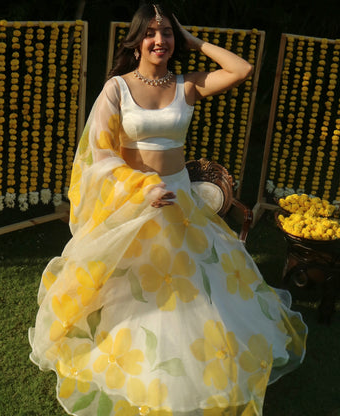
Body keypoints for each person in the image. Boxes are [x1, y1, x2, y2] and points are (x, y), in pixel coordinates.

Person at [29, 3, 307, 415]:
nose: (159, 41)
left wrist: (195, 41)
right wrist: (141, 186)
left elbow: (241, 70)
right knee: (135, 286)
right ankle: (130, 356)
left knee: (194, 282)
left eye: (167, 34)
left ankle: (201, 358)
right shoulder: (117, 88)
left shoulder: (186, 84)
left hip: (180, 199)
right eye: (151, 33)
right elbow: (99, 154)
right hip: (136, 199)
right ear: (137, 39)